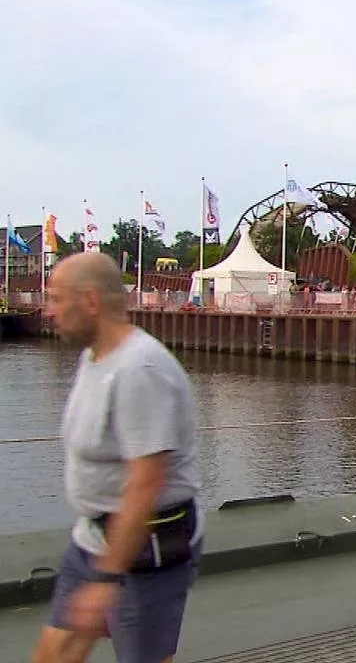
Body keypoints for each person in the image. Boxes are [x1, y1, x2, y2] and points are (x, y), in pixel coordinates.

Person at [32, 253, 202, 663]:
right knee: (54, 654)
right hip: (92, 539)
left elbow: (146, 481)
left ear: (90, 301)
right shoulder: (95, 357)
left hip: (144, 550)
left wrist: (108, 576)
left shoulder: (140, 370)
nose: (47, 310)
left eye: (55, 299)